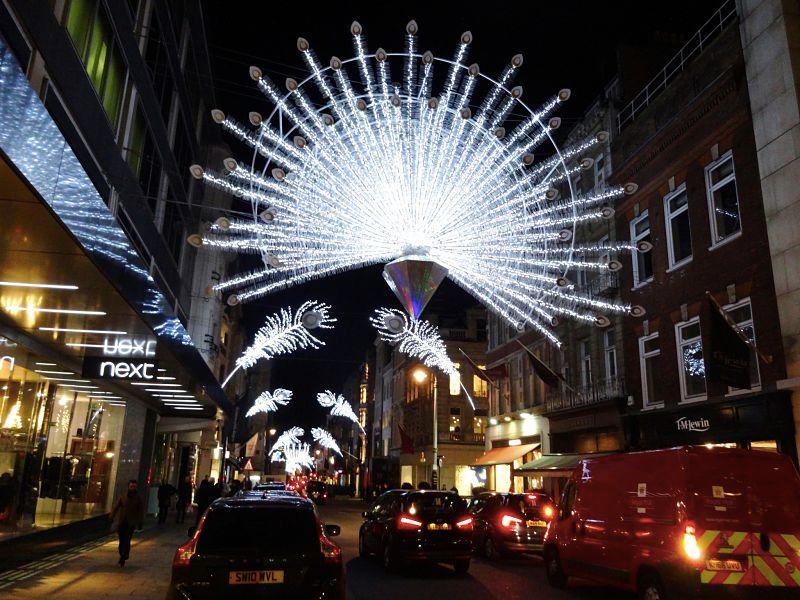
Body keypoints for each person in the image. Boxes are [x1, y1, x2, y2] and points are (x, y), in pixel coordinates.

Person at [110, 479, 144, 567]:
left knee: (127, 539)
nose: (132, 488)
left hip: (131, 523)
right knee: (121, 540)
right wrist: (111, 517)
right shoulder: (123, 496)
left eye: (134, 487)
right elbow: (116, 507)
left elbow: (140, 511)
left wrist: (139, 523)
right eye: (131, 486)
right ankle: (122, 553)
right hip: (122, 522)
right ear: (128, 487)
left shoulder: (138, 498)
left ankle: (123, 556)